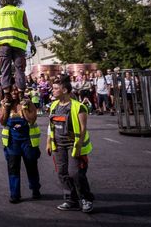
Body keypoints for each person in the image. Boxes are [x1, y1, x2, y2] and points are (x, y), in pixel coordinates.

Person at [47, 76, 94, 213]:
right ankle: (70, 200)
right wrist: (49, 142)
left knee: (75, 173)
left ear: (65, 90)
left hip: (74, 146)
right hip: (58, 146)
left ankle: (86, 199)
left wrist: (78, 145)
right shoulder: (54, 106)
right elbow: (51, 126)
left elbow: (83, 128)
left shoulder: (79, 107)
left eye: (56, 89)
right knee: (62, 173)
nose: (53, 91)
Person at [0, 0, 37, 102]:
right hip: (18, 47)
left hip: (3, 46)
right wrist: (32, 44)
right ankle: (22, 95)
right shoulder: (20, 12)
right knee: (19, 70)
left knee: (5, 70)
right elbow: (27, 30)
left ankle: (7, 96)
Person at [0, 85, 41, 203]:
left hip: (27, 142)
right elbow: (2, 121)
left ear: (21, 91)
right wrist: (6, 107)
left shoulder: (28, 103)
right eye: (11, 90)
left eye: (16, 89)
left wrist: (24, 107)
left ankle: (35, 189)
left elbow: (32, 119)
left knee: (31, 167)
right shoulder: (5, 103)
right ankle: (15, 194)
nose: (14, 92)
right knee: (13, 168)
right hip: (12, 143)